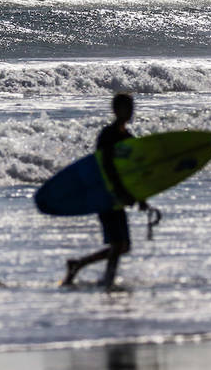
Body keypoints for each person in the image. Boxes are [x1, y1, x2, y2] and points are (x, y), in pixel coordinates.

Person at [62, 92, 150, 289]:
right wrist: (121, 192)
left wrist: (141, 197)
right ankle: (106, 280)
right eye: (127, 107)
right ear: (116, 110)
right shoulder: (107, 136)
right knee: (119, 244)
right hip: (104, 194)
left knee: (123, 245)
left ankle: (80, 265)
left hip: (117, 195)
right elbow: (106, 167)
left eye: (132, 107)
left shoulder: (128, 137)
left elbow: (132, 170)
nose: (132, 111)